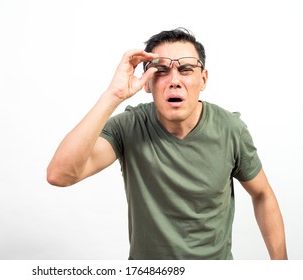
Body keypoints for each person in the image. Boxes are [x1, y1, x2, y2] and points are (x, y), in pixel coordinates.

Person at [46, 28, 288, 260]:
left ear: (203, 79)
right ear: (147, 83)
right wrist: (114, 95)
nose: (174, 80)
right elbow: (60, 175)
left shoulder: (231, 130)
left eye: (186, 69)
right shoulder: (129, 127)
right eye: (161, 70)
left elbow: (263, 194)